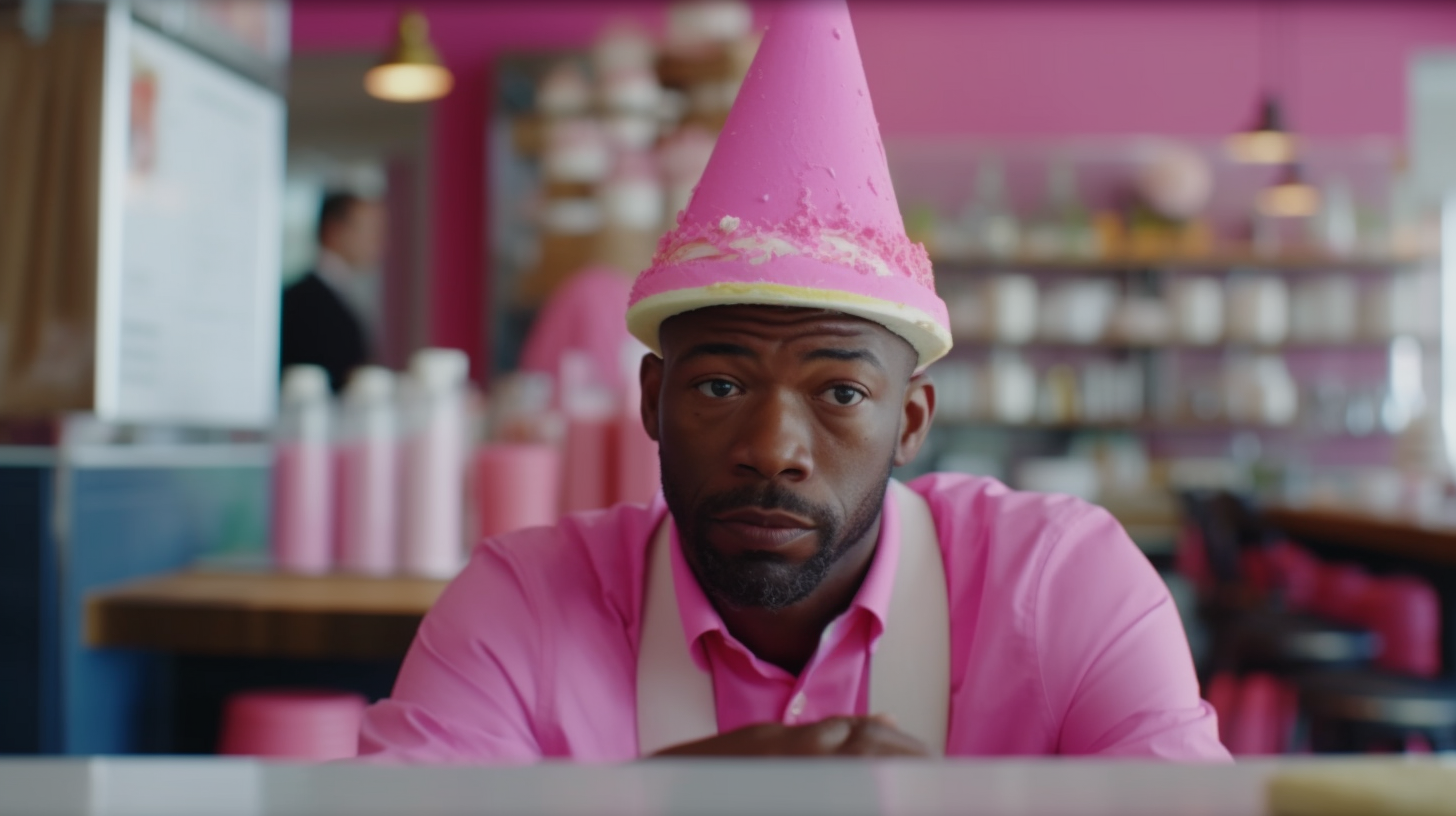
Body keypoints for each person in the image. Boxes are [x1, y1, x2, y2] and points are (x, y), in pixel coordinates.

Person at [357, 0, 1229, 763]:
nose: (772, 449)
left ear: (912, 418)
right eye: (721, 387)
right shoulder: (526, 602)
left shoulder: (1060, 581)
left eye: (841, 392)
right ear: (652, 399)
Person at [280, 192, 384, 392]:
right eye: (370, 230)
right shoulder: (304, 303)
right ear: (334, 230)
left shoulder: (337, 295)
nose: (378, 243)